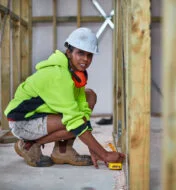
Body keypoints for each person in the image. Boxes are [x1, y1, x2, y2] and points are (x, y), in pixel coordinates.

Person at [4, 27, 125, 168]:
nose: (85, 59)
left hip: (40, 115)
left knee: (89, 96)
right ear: (69, 52)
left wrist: (93, 149)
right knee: (74, 123)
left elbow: (82, 109)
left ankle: (63, 151)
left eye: (89, 55)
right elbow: (75, 121)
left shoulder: (76, 73)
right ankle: (29, 144)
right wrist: (104, 154)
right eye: (80, 53)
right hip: (22, 121)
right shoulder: (59, 75)